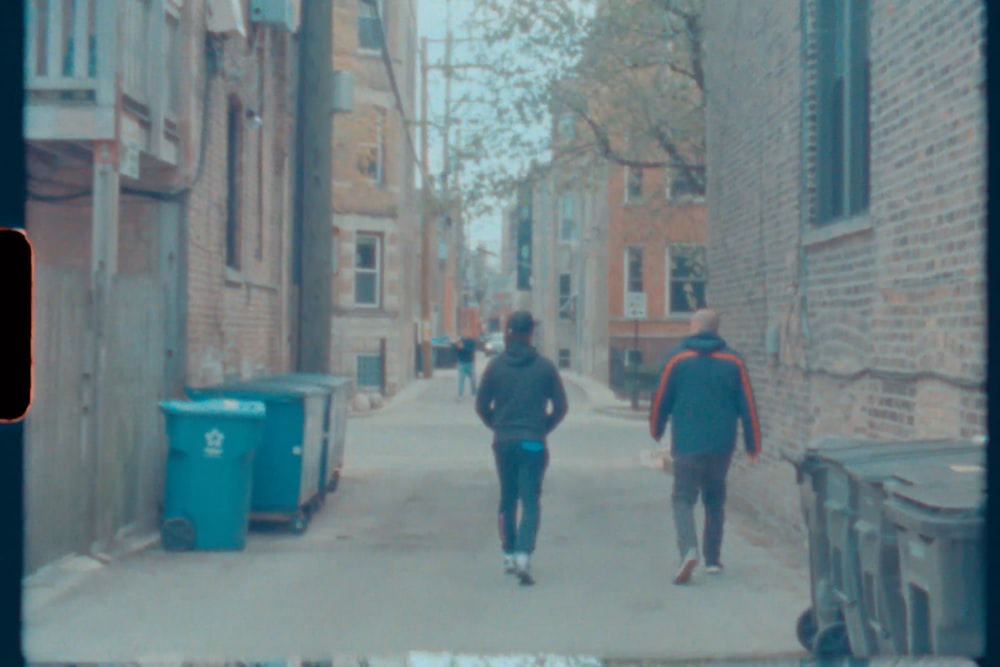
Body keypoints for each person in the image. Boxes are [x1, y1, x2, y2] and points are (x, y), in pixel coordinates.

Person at [649, 308, 761, 585]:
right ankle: (712, 560)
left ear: (695, 327)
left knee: (683, 498)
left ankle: (688, 549)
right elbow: (748, 405)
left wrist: (656, 428)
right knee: (715, 499)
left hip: (687, 443)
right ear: (716, 329)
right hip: (721, 445)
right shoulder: (734, 361)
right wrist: (752, 444)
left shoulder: (677, 359)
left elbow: (661, 397)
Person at [475, 311, 568, 586]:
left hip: (504, 441)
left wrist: (498, 426)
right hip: (533, 442)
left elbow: (481, 406)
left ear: (508, 333)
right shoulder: (545, 367)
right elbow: (561, 408)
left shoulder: (495, 367)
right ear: (530, 334)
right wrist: (542, 428)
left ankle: (507, 552)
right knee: (530, 500)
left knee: (507, 497)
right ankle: (524, 554)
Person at [452, 333, 478, 399]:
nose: (465, 335)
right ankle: (460, 394)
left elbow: (472, 351)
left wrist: (463, 348)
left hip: (469, 363)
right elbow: (455, 350)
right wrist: (456, 345)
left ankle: (474, 392)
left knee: (473, 380)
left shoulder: (471, 342)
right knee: (461, 380)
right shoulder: (459, 341)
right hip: (462, 363)